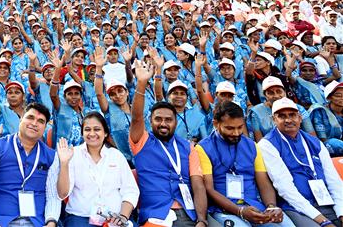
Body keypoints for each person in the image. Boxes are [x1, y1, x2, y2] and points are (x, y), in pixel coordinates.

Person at [128, 60, 213, 227]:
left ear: (175, 122)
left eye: (168, 120)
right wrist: (142, 82)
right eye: (158, 119)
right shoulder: (142, 141)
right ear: (150, 121)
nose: (163, 123)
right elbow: (136, 117)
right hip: (156, 214)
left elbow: (198, 185)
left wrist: (201, 220)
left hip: (188, 213)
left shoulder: (188, 147)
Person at [196, 101, 292, 227]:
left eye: (240, 127)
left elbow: (263, 181)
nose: (236, 133)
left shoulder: (252, 146)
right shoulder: (203, 148)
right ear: (215, 124)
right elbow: (209, 189)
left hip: (254, 205)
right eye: (230, 128)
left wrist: (271, 206)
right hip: (225, 209)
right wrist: (240, 211)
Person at [0, 105, 61, 227]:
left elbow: (53, 195)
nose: (34, 123)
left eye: (41, 121)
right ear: (20, 119)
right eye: (30, 117)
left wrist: (51, 222)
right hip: (0, 221)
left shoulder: (51, 156)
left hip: (37, 222)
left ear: (45, 127)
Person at [258, 97, 343, 226]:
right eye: (282, 116)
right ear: (274, 119)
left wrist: (341, 213)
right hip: (296, 207)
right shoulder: (267, 144)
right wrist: (323, 220)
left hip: (325, 202)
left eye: (292, 115)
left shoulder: (315, 142)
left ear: (300, 118)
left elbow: (334, 182)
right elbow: (285, 189)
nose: (288, 120)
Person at [56, 112, 139, 227]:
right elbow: (62, 194)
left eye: (97, 129)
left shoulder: (116, 155)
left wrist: (122, 217)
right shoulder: (73, 154)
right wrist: (64, 164)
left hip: (114, 218)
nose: (92, 133)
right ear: (82, 133)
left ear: (105, 133)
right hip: (81, 218)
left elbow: (130, 190)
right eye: (87, 129)